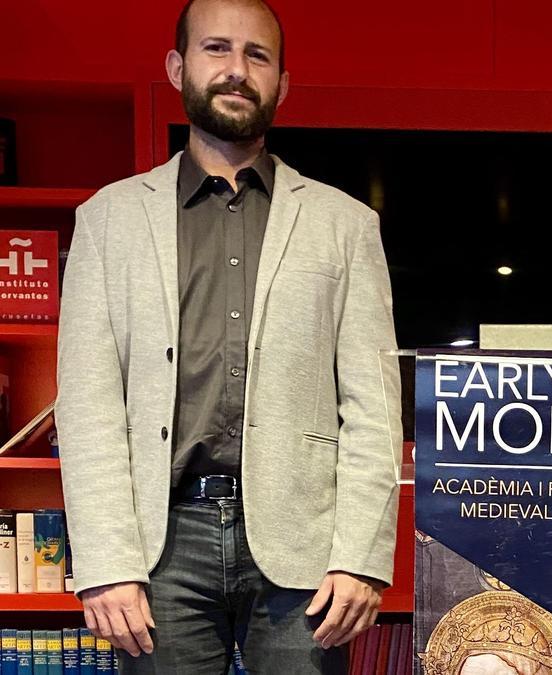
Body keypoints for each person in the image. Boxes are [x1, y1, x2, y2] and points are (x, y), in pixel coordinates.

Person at [55, 0, 401, 672]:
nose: (236, 70)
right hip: (159, 545)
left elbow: (375, 410)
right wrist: (101, 560)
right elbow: (88, 403)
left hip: (305, 548)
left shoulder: (345, 225)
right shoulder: (109, 220)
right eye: (217, 49)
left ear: (282, 82)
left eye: (257, 55)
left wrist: (361, 557)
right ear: (179, 67)